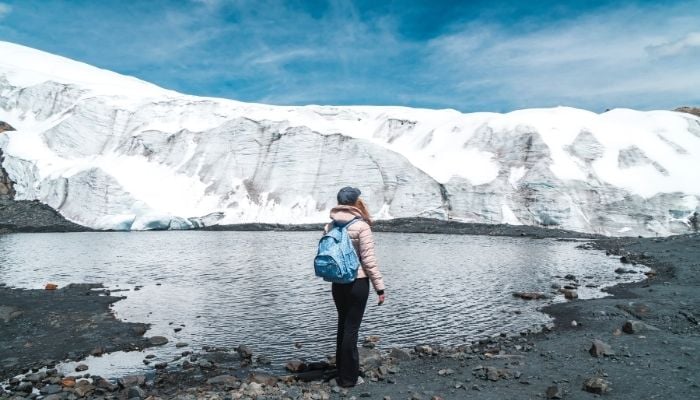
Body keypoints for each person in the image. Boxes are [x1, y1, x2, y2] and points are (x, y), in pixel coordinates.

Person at [325, 186, 385, 388]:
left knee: (342, 326)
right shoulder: (362, 227)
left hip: (337, 282)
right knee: (352, 329)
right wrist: (380, 287)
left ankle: (341, 372)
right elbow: (368, 261)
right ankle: (349, 379)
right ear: (356, 202)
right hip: (357, 282)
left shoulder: (330, 226)